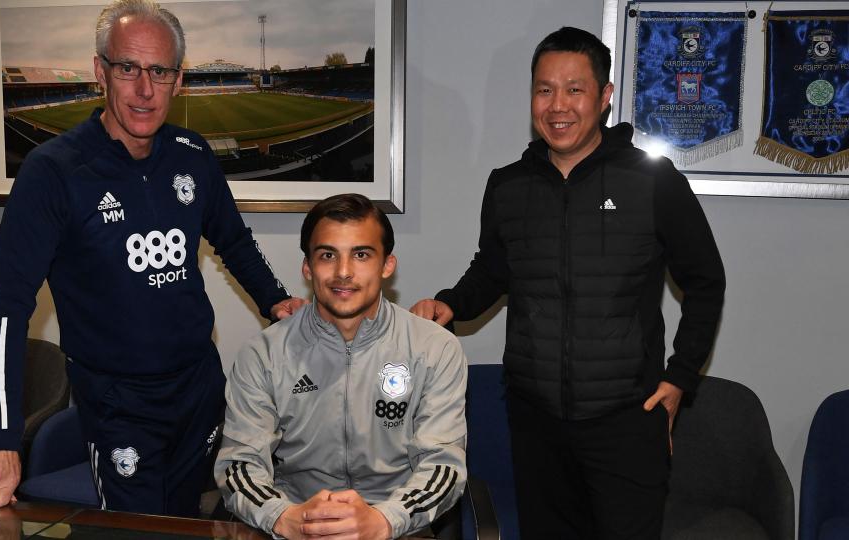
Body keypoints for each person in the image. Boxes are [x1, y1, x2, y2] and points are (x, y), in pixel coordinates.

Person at [0, 0, 305, 517]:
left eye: (159, 71)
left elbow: (234, 240)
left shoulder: (193, 154)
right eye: (128, 68)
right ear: (100, 71)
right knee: (132, 528)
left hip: (199, 389)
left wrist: (275, 301)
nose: (145, 89)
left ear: (178, 79)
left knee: (186, 521)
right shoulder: (53, 172)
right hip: (116, 405)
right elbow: (5, 304)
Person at [411, 27, 726, 539]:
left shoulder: (653, 180)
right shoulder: (507, 185)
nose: (558, 105)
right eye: (544, 89)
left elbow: (706, 280)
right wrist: (451, 304)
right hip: (535, 422)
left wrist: (681, 378)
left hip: (627, 419)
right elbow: (493, 270)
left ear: (604, 97)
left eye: (574, 89)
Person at [214, 194, 467, 540]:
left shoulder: (435, 349)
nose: (343, 272)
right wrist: (284, 517)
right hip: (296, 521)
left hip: (398, 524)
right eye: (327, 255)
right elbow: (239, 465)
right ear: (307, 268)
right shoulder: (264, 354)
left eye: (361, 254)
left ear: (387, 265)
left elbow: (443, 468)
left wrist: (383, 521)